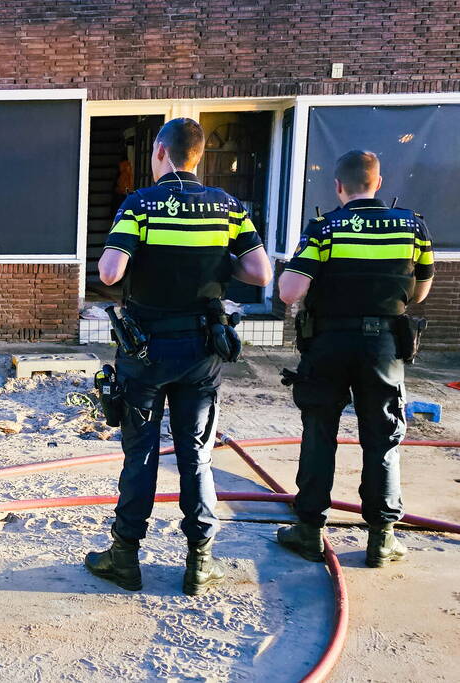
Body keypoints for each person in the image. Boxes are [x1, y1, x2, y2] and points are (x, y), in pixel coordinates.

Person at [85, 117, 273, 595]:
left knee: (140, 454)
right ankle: (199, 562)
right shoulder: (228, 207)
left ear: (162, 153)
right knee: (195, 455)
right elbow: (260, 273)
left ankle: (125, 556)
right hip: (200, 351)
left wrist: (144, 254)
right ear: (199, 157)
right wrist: (211, 261)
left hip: (145, 352)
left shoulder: (140, 203)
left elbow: (109, 273)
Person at [276, 150, 434, 568]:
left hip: (328, 343)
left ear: (338, 186)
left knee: (319, 433)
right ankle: (382, 538)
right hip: (384, 346)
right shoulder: (412, 227)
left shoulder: (325, 228)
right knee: (383, 437)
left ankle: (309, 530)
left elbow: (290, 292)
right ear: (377, 183)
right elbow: (419, 292)